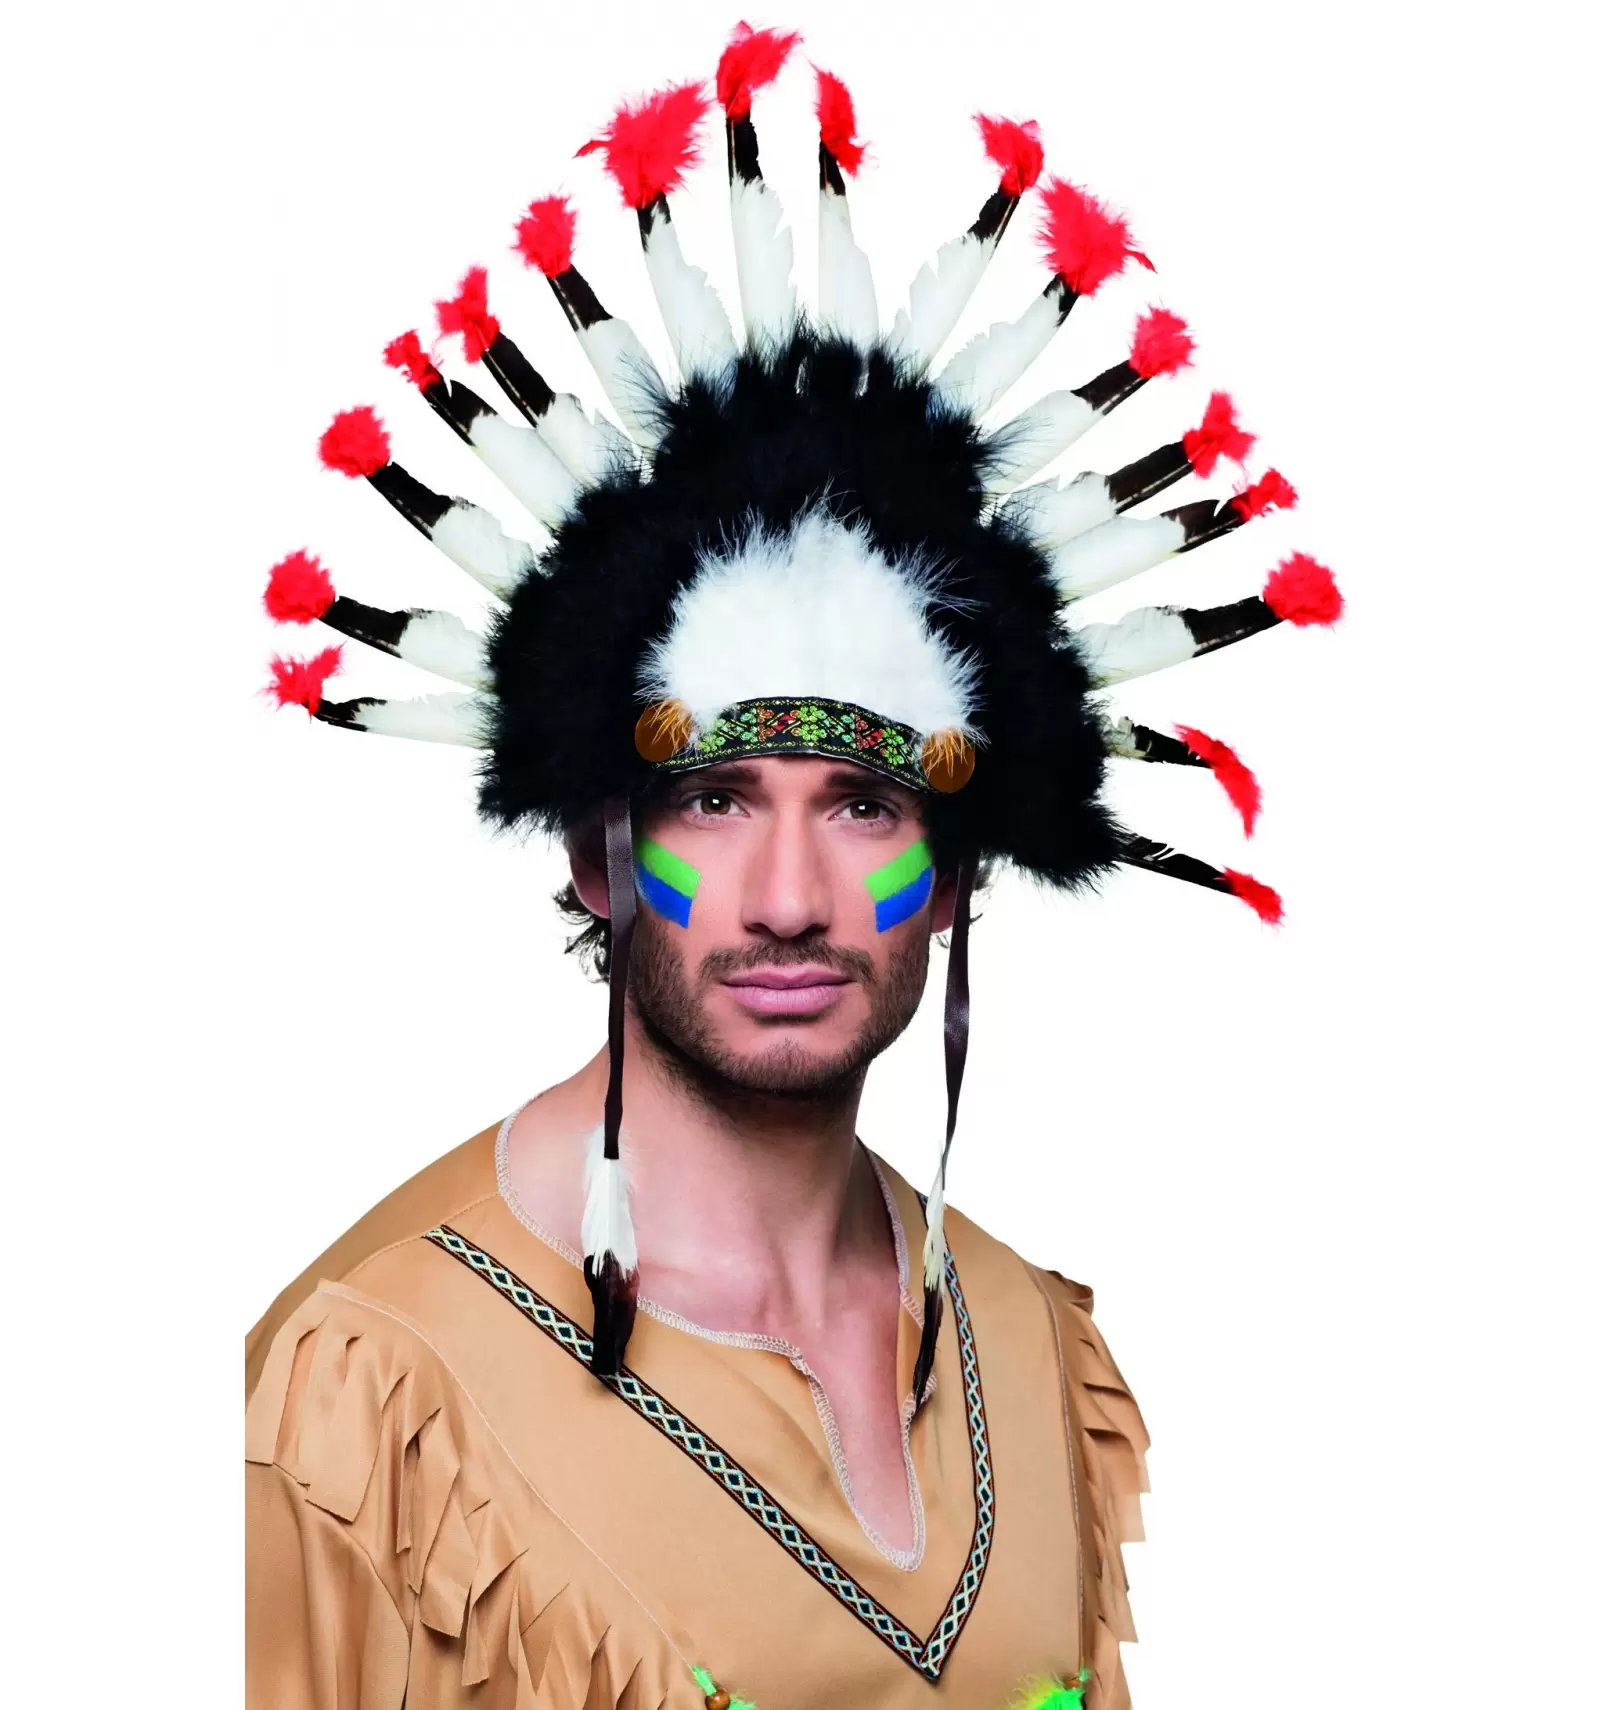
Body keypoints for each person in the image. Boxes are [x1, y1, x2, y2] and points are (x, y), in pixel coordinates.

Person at [245, 23, 1339, 1708]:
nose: (784, 897)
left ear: (958, 870)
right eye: (712, 799)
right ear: (600, 849)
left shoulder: (1031, 1350)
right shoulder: (378, 1391)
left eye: (866, 807)